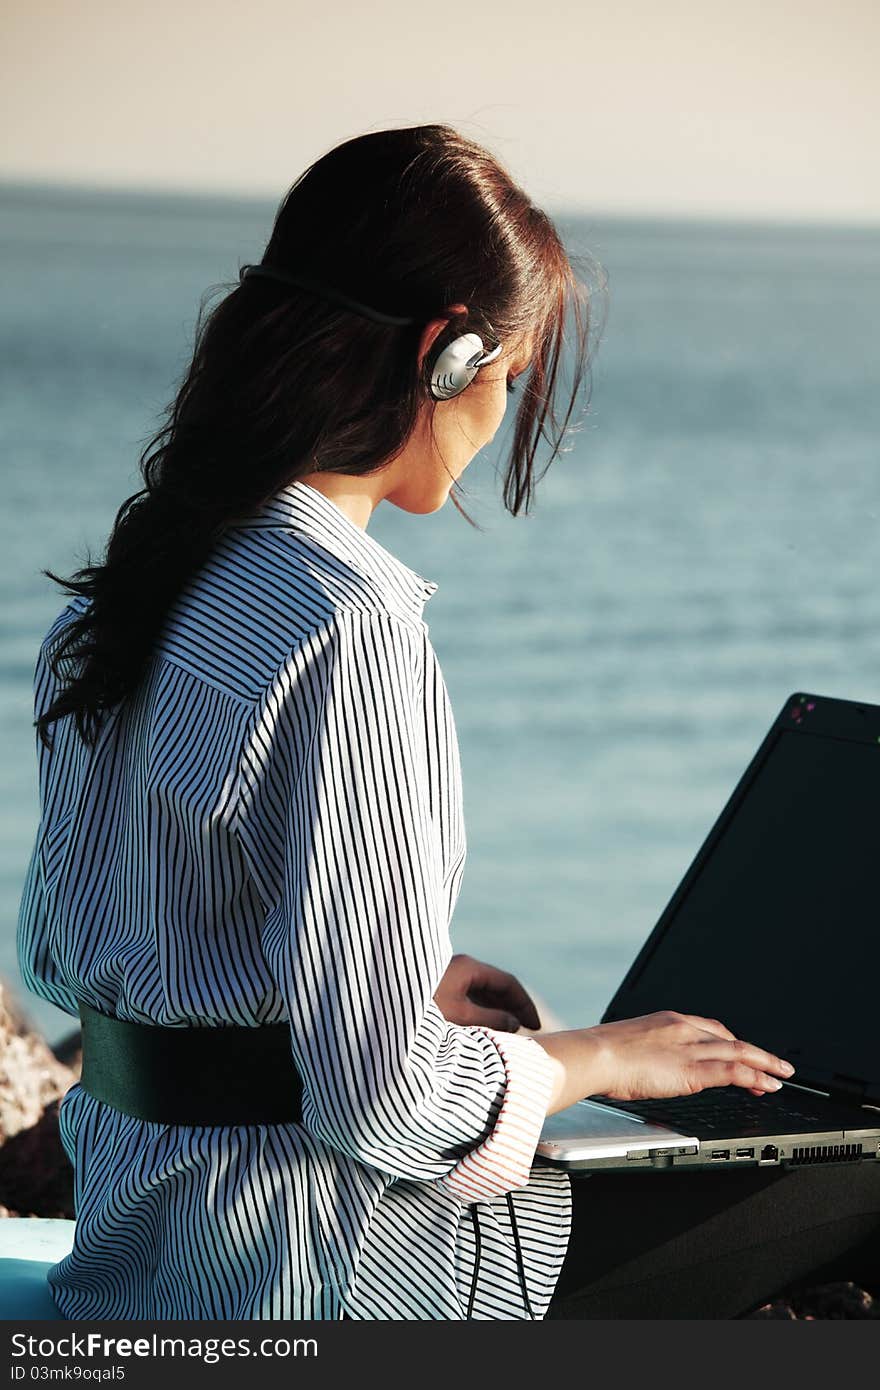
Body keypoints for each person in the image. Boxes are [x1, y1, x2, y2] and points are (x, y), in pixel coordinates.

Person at [16, 124, 862, 1322]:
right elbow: (382, 1104)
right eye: (511, 375)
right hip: (323, 1268)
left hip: (144, 1238)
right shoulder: (347, 627)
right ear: (446, 354)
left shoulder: (136, 588)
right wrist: (601, 1058)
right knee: (843, 1185)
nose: (506, 414)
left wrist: (396, 981)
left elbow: (66, 957)